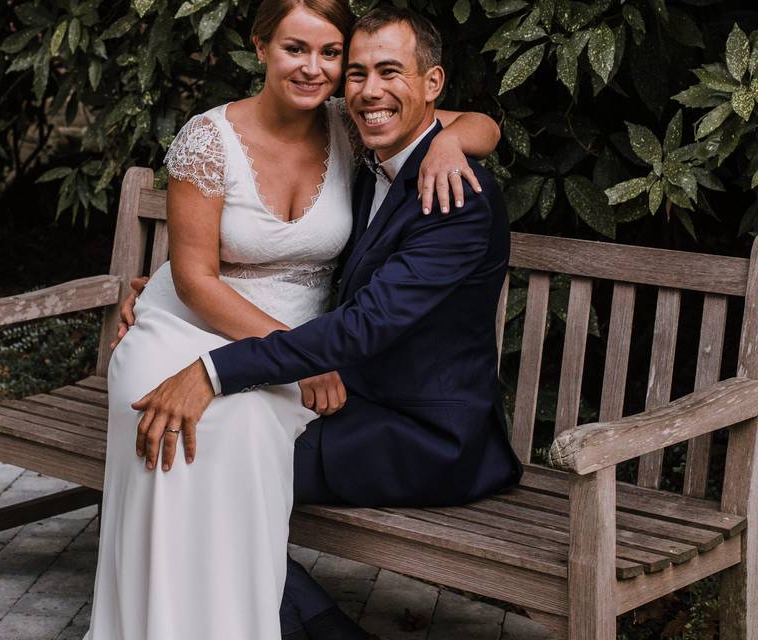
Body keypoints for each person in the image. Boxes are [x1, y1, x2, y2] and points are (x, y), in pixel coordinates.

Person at [83, 2, 502, 639]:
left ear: (432, 84)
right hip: (312, 367)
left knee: (221, 450)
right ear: (259, 48)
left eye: (333, 56)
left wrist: (213, 372)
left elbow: (363, 326)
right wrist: (164, 295)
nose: (350, 82)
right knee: (207, 446)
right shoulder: (362, 133)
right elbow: (200, 272)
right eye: (352, 69)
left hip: (420, 427)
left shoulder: (441, 186)